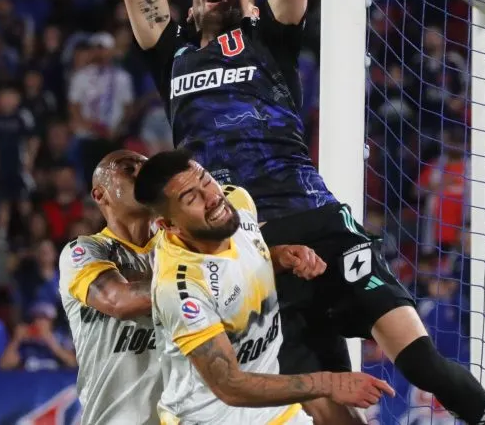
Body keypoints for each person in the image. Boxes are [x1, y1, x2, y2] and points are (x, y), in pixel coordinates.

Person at [115, 0, 485, 425]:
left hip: (317, 217)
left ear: (253, 4)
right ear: (186, 11)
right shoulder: (173, 54)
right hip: (247, 246)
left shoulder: (270, 38)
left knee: (421, 363)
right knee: (324, 398)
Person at [133, 150, 393, 424]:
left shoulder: (237, 200)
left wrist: (280, 256)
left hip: (271, 409)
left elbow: (239, 257)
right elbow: (230, 386)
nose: (212, 197)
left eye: (205, 180)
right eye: (191, 198)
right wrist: (330, 383)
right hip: (210, 417)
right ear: (168, 225)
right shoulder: (179, 288)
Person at [57, 150, 161, 425]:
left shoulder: (178, 248)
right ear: (100, 195)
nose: (143, 174)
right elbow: (119, 302)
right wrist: (195, 281)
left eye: (148, 169)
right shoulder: (84, 251)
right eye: (129, 169)